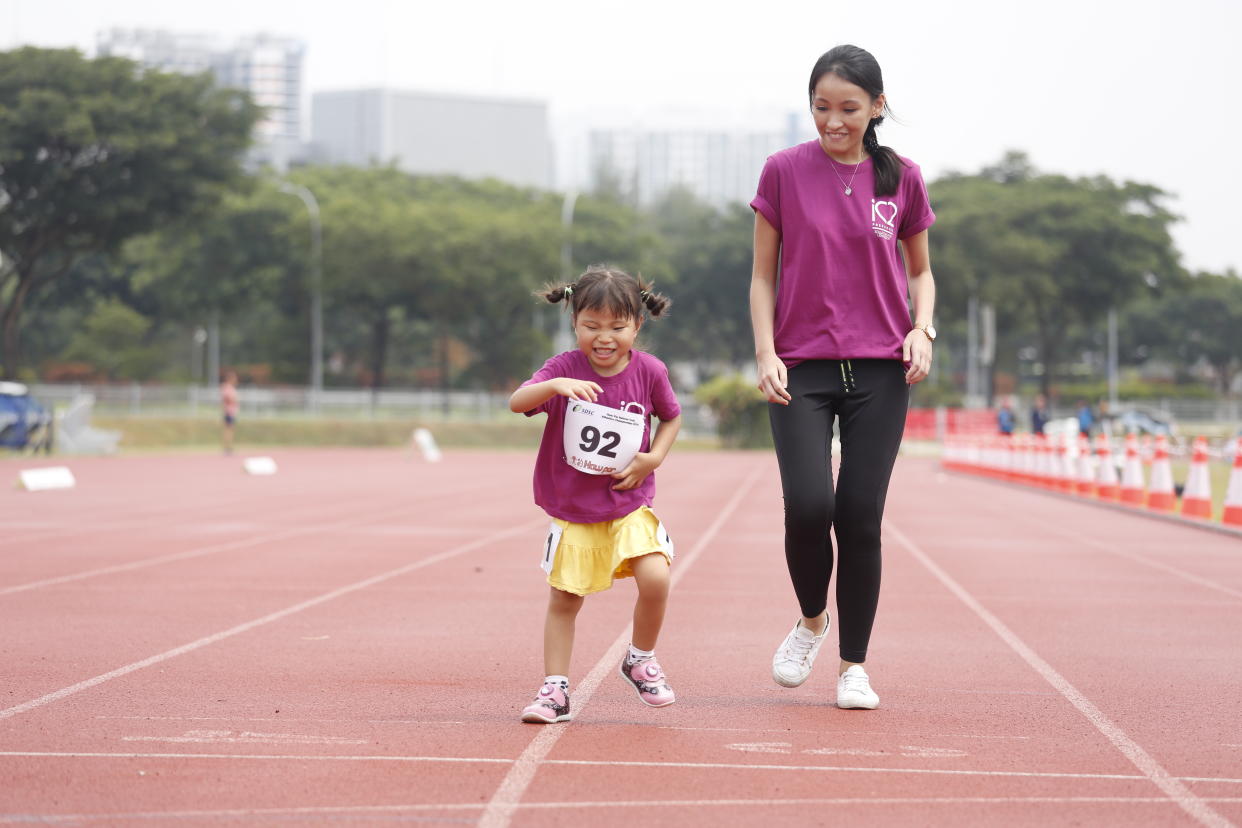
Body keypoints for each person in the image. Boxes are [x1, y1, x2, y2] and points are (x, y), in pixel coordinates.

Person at [749, 45, 936, 710]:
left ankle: (853, 665)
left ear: (877, 107)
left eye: (848, 108)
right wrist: (766, 352)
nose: (833, 120)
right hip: (801, 367)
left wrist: (924, 327)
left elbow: (920, 270)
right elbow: (763, 275)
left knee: (859, 517)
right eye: (821, 107)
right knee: (808, 507)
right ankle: (810, 621)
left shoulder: (902, 178)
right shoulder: (783, 172)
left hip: (883, 371)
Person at [509, 265, 682, 724]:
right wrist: (554, 386)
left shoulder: (650, 371)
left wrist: (654, 457)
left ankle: (640, 658)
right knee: (565, 600)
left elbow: (671, 416)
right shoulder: (563, 369)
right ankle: (555, 690)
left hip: (628, 503)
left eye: (617, 327)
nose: (604, 337)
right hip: (575, 510)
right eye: (591, 326)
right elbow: (517, 402)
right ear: (575, 323)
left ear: (637, 325)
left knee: (656, 577)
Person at [220, 370, 240, 455]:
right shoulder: (227, 387)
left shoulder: (230, 387)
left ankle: (229, 447)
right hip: (229, 411)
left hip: (231, 411)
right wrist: (235, 400)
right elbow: (228, 398)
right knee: (229, 430)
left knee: (230, 430)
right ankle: (227, 448)